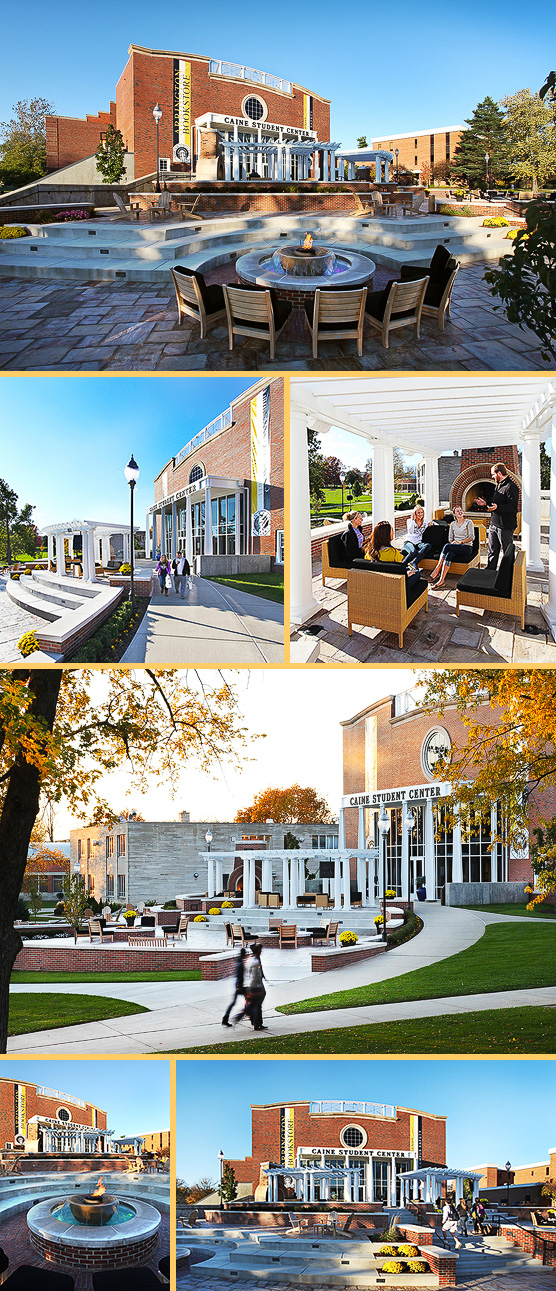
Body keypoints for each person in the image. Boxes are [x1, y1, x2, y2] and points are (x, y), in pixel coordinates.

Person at [475, 462, 519, 570]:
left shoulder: (511, 487)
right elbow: (496, 502)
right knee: (492, 550)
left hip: (505, 526)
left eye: (493, 474)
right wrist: (485, 503)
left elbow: (513, 508)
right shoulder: (498, 485)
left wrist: (497, 507)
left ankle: (507, 574)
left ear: (499, 473)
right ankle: (490, 571)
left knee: (507, 553)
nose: (492, 476)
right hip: (494, 524)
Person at [428, 506, 475, 586]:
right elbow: (450, 538)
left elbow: (471, 537)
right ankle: (441, 580)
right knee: (449, 554)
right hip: (456, 547)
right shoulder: (453, 524)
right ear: (454, 514)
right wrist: (453, 543)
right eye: (458, 511)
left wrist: (460, 542)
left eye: (461, 510)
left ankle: (437, 568)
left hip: (466, 547)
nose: (460, 512)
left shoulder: (468, 522)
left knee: (446, 546)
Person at [364, 521, 421, 588]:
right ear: (387, 535)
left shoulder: (370, 552)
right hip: (393, 584)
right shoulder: (393, 553)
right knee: (416, 573)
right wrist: (406, 574)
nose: (393, 532)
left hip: (377, 581)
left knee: (408, 568)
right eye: (392, 530)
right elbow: (400, 571)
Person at [233, 943, 267, 1031]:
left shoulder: (250, 959)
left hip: (249, 986)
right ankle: (256, 1023)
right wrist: (258, 987)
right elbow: (255, 976)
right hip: (254, 987)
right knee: (256, 1005)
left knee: (253, 1005)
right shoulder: (255, 962)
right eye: (260, 950)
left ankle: (255, 1021)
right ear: (257, 951)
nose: (261, 951)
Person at [221, 947, 247, 1027]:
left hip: (239, 986)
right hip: (240, 986)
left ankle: (226, 1018)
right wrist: (239, 986)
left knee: (234, 1003)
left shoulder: (239, 962)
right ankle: (240, 1016)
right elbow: (239, 976)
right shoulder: (240, 964)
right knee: (250, 1001)